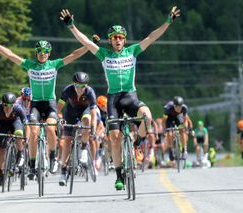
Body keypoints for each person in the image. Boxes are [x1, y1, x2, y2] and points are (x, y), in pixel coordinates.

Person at [59, 6, 180, 190]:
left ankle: (137, 143)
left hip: (130, 96)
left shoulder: (132, 51)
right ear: (110, 40)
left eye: (120, 37)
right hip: (113, 99)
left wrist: (168, 23)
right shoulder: (104, 54)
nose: (117, 40)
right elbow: (85, 41)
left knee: (146, 117)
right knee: (114, 138)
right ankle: (119, 175)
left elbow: (151, 37)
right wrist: (72, 26)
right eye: (114, 37)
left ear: (124, 40)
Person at [0, 33, 89, 179]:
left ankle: (53, 158)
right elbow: (10, 54)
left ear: (49, 53)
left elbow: (73, 54)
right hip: (36, 104)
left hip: (50, 103)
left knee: (50, 128)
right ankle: (33, 164)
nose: (42, 54)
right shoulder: (30, 65)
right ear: (36, 53)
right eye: (39, 51)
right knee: (33, 132)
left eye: (45, 52)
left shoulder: (54, 64)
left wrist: (88, 45)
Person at [57, 72, 97, 186]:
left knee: (87, 121)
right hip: (70, 112)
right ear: (73, 84)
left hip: (85, 111)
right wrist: (59, 119)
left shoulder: (90, 92)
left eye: (82, 86)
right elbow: (58, 108)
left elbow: (93, 112)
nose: (79, 89)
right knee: (67, 141)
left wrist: (92, 127)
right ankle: (63, 171)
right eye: (77, 85)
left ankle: (84, 148)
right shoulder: (67, 90)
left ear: (86, 86)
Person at [0, 92, 29, 185]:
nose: (8, 107)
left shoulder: (18, 109)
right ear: (2, 104)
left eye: (11, 105)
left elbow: (26, 126)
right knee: (2, 149)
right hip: (2, 124)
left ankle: (20, 153)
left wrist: (26, 138)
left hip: (15, 122)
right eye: (5, 105)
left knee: (19, 133)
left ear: (14, 105)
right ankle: (1, 174)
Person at [162, 96, 194, 164]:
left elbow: (185, 119)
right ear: (174, 105)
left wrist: (185, 126)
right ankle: (170, 149)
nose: (179, 108)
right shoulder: (168, 108)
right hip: (169, 118)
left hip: (178, 117)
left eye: (180, 107)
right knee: (169, 133)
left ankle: (184, 149)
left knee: (182, 130)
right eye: (177, 107)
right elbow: (164, 121)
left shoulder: (184, 108)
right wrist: (164, 130)